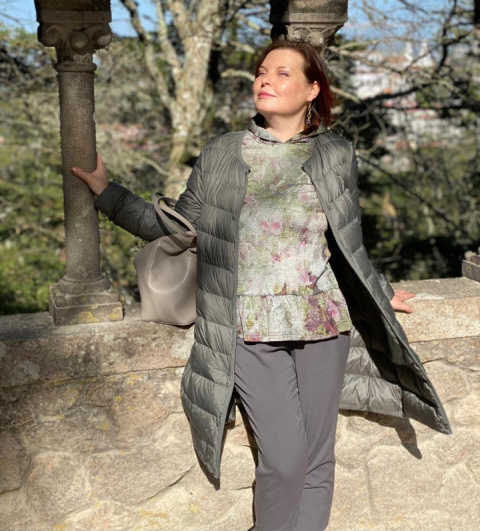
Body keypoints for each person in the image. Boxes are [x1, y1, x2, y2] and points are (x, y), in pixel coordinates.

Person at [72, 39, 451, 531]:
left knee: (318, 461)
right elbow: (174, 227)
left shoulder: (335, 153)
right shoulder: (223, 153)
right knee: (285, 462)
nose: (265, 79)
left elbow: (346, 238)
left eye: (282, 73)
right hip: (248, 326)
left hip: (324, 323)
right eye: (261, 71)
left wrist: (378, 287)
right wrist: (108, 193)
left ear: (312, 89)